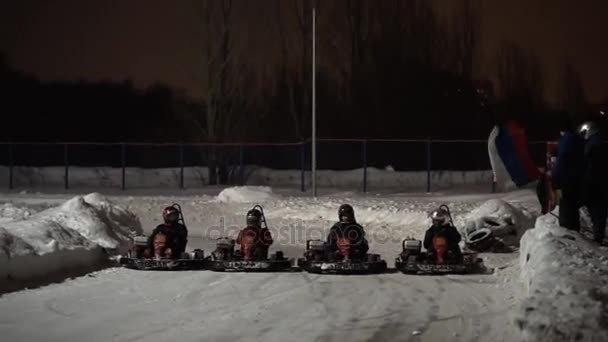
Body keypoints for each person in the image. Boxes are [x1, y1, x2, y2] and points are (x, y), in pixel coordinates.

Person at [552, 119, 585, 231]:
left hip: (567, 180)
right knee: (573, 209)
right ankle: (575, 231)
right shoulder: (579, 140)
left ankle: (567, 232)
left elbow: (561, 162)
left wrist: (555, 180)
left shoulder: (565, 141)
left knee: (566, 207)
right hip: (578, 178)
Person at [579, 121, 608, 243]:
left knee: (597, 210)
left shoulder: (592, 145)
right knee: (599, 210)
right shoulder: (601, 142)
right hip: (601, 181)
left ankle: (598, 236)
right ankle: (598, 234)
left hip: (595, 181)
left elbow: (586, 162)